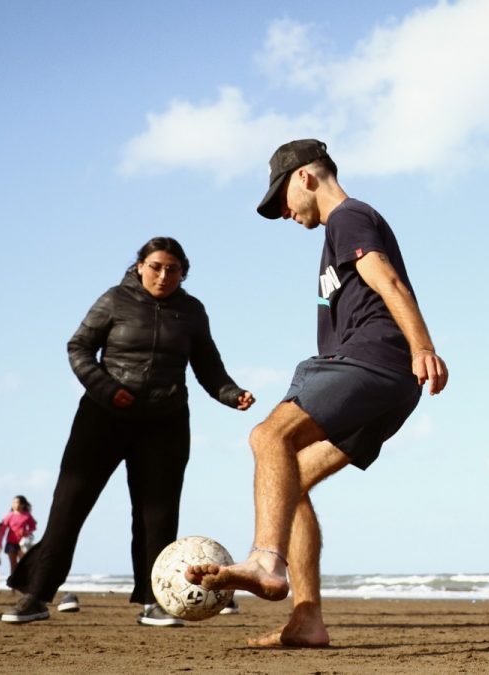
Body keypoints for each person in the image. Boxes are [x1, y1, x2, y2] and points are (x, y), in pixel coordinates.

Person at [185, 139, 448, 647]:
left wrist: (422, 346)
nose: (283, 212)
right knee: (290, 484)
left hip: (371, 359)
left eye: (281, 198)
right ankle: (307, 620)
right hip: (391, 382)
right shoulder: (340, 231)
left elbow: (388, 280)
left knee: (268, 437)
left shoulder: (348, 216)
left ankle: (265, 560)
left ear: (305, 177)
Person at [1, 236, 255, 628]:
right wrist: (105, 388)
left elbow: (208, 366)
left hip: (166, 422)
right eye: (155, 267)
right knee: (69, 507)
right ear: (140, 266)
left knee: (157, 517)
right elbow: (79, 347)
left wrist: (232, 394)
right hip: (103, 416)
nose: (163, 275)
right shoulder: (114, 299)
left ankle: (154, 602)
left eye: (172, 269)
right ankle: (35, 596)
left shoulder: (191, 311)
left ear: (183, 273)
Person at [0, 495, 37, 580]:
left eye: (17, 502)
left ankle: (23, 581)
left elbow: (33, 527)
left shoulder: (27, 515)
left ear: (22, 505)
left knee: (23, 563)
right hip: (11, 543)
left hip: (23, 544)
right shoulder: (9, 516)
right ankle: (13, 583)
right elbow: (2, 531)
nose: (15, 504)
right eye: (13, 502)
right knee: (13, 564)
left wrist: (26, 532)